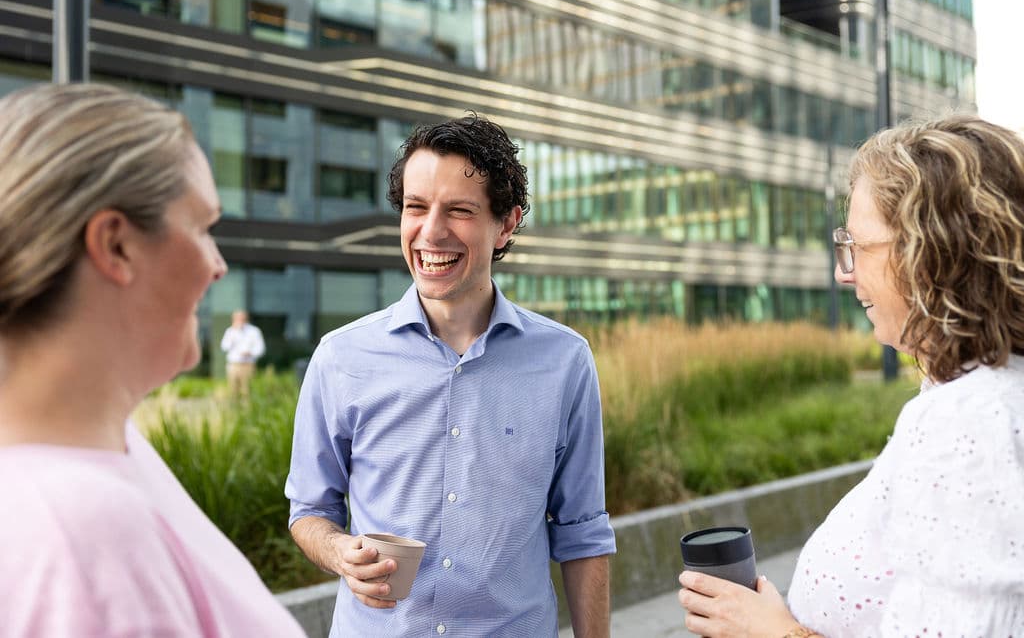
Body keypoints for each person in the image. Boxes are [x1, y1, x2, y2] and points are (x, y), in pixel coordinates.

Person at [677, 115, 1024, 637]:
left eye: (858, 246)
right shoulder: (983, 392)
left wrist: (769, 631)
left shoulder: (967, 420)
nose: (845, 272)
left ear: (930, 253)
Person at [286, 114, 616, 636]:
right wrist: (339, 551)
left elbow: (583, 531)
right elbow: (309, 511)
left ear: (506, 223)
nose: (431, 232)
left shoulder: (565, 361)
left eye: (459, 211)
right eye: (416, 207)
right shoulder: (340, 357)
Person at [0, 83, 305, 637]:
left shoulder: (107, 451)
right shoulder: (83, 533)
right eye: (204, 228)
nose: (218, 266)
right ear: (116, 245)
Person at [221, 309, 265, 399]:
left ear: (246, 318)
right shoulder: (230, 331)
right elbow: (224, 347)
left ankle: (247, 407)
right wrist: (233, 334)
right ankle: (233, 407)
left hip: (248, 364)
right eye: (237, 318)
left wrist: (250, 353)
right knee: (232, 390)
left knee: (247, 390)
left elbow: (260, 349)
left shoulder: (254, 331)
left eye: (241, 318)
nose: (239, 320)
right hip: (233, 364)